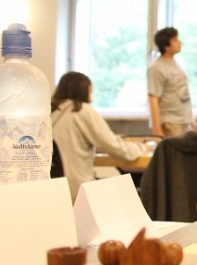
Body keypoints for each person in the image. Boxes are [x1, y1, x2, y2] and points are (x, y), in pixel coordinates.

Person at [51, 72, 149, 202]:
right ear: (84, 90)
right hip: (79, 189)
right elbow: (116, 148)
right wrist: (142, 147)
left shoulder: (51, 111)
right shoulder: (81, 110)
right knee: (129, 192)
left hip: (55, 190)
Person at [147, 27, 197, 138]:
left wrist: (191, 118)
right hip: (170, 122)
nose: (179, 42)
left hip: (184, 120)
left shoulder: (175, 63)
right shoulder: (156, 68)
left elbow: (183, 92)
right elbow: (153, 99)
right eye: (174, 40)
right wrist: (157, 130)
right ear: (166, 46)